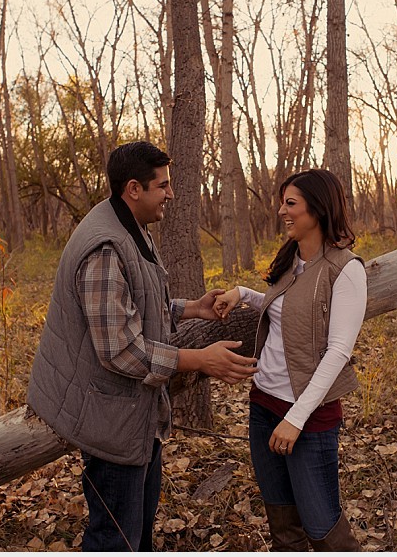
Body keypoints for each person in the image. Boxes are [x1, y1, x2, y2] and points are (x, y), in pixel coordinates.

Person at [27, 141, 257, 552]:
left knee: (137, 534)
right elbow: (121, 349)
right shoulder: (105, 248)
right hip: (108, 418)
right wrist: (199, 360)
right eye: (163, 186)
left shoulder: (129, 226)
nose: (171, 194)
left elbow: (132, 305)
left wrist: (191, 310)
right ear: (134, 188)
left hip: (131, 415)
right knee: (115, 538)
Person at [214, 169, 366, 551]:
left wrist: (295, 419)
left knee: (323, 530)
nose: (282, 211)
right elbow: (285, 309)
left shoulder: (344, 270)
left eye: (291, 203)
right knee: (283, 528)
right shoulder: (291, 261)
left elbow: (338, 353)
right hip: (263, 406)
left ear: (318, 208)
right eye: (282, 202)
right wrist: (243, 293)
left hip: (307, 420)